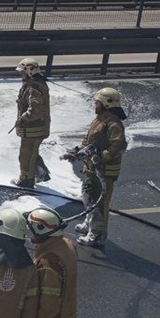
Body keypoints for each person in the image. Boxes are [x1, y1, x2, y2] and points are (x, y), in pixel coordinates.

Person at [63, 87, 127, 248]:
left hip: (104, 171)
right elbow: (89, 142)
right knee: (90, 198)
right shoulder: (100, 119)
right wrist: (76, 152)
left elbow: (119, 145)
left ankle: (97, 235)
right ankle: (89, 224)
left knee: (100, 203)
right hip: (92, 168)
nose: (95, 104)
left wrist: (102, 157)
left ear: (106, 103)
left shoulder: (113, 123)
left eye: (97, 102)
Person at [12, 57, 51, 188]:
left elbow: (35, 110)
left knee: (26, 156)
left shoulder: (34, 87)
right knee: (31, 153)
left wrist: (22, 119)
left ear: (29, 71)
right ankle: (41, 174)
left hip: (34, 128)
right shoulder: (32, 84)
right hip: (32, 128)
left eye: (22, 71)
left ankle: (26, 181)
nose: (20, 74)